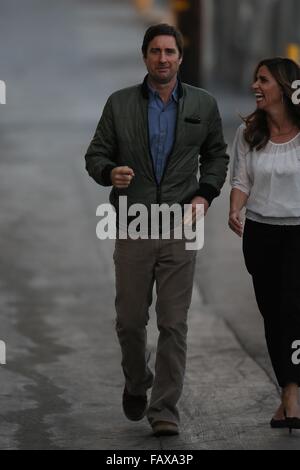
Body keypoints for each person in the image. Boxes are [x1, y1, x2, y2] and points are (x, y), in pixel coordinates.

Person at [85, 23, 229, 436]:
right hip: (133, 224)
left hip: (180, 226)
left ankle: (164, 407)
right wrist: (110, 172)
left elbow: (216, 156)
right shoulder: (120, 104)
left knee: (173, 322)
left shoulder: (203, 104)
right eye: (155, 51)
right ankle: (136, 381)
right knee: (130, 321)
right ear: (144, 56)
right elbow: (96, 154)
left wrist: (205, 194)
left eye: (170, 52)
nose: (162, 59)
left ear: (180, 58)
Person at [229, 57, 300, 432]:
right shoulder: (249, 134)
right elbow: (241, 179)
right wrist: (235, 209)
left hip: (298, 233)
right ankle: (288, 393)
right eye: (255, 79)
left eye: (263, 80)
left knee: (293, 309)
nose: (255, 86)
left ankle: (293, 393)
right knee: (273, 316)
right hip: (261, 235)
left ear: (285, 88)